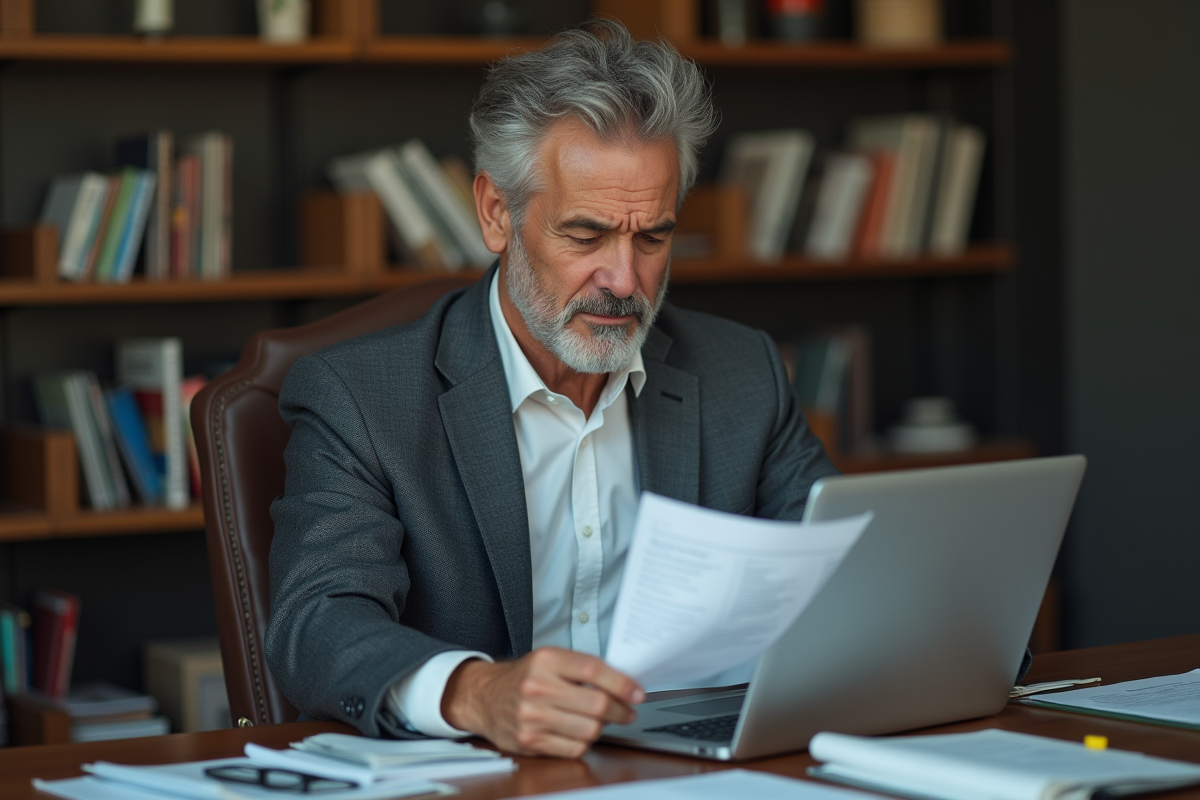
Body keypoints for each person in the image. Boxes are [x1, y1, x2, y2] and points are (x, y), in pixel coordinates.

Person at [267, 19, 838, 759]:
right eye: (586, 235)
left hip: (698, 769)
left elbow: (843, 572)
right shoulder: (360, 397)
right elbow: (317, 619)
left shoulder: (742, 372)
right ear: (498, 213)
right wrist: (478, 692)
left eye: (653, 237)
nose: (625, 280)